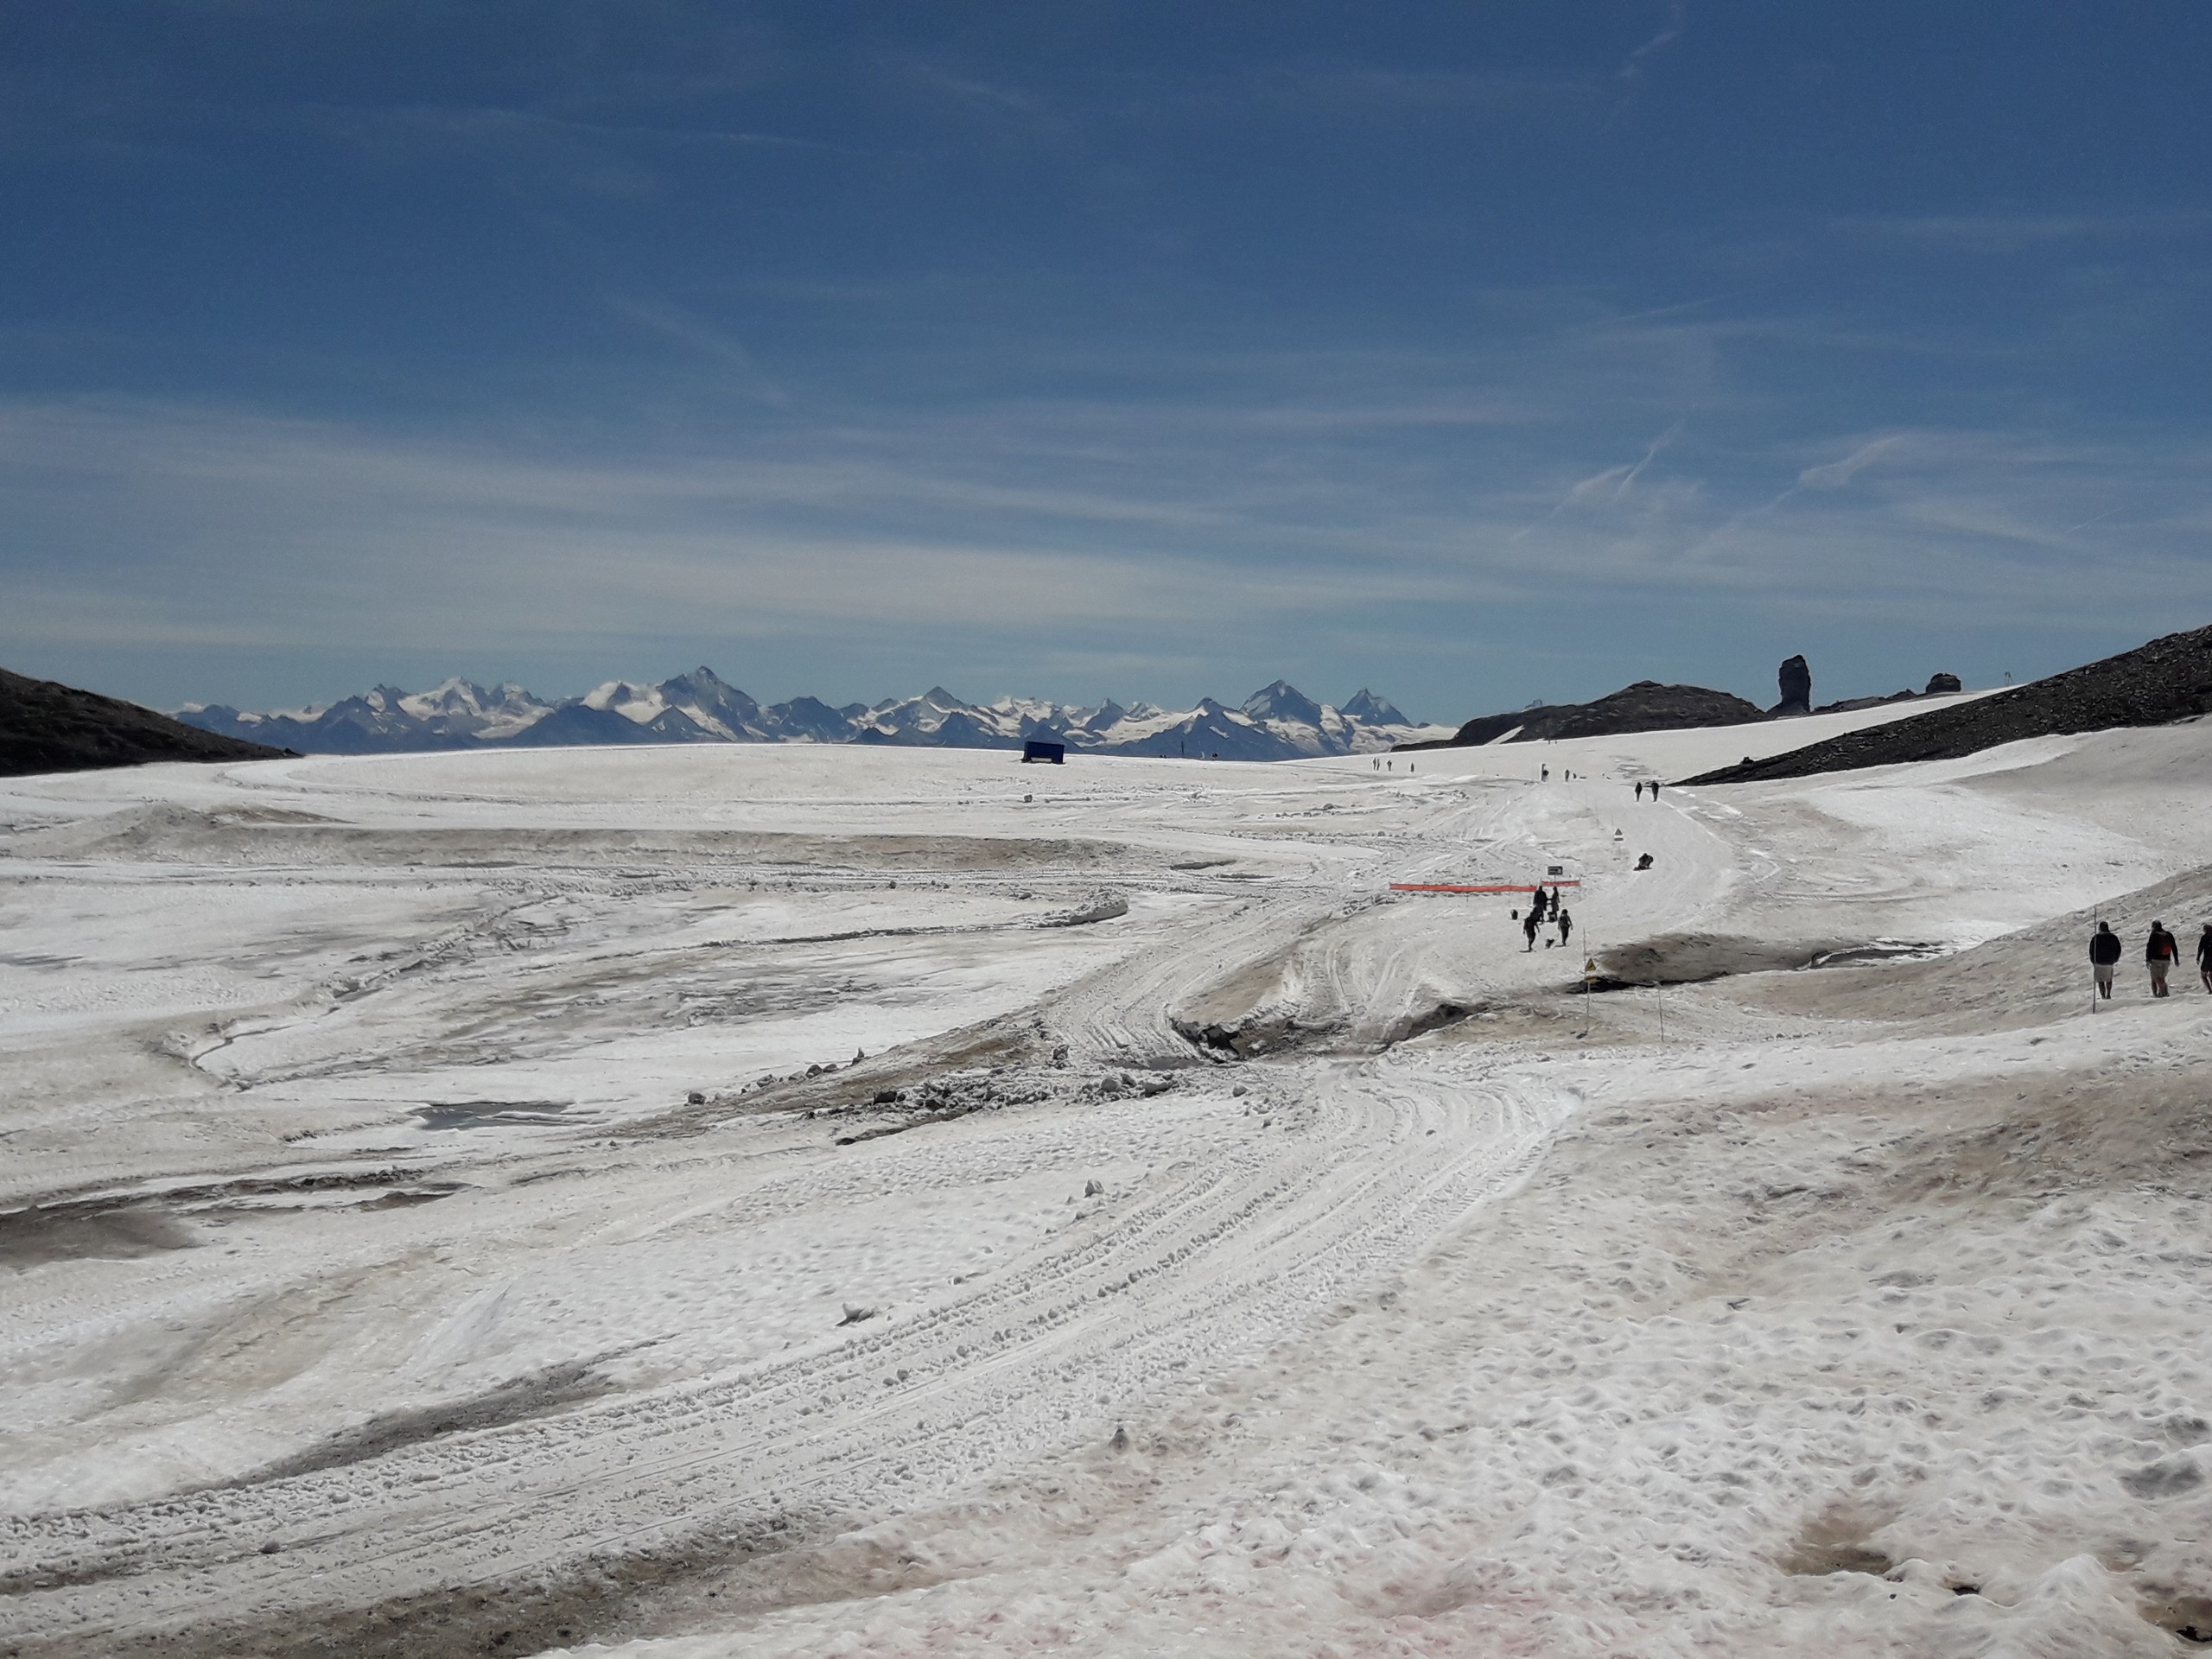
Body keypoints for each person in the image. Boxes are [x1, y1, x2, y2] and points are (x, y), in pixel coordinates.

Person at [2090, 920, 2120, 1002]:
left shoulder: (2096, 938)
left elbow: (2092, 950)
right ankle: (2108, 994)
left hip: (2099, 962)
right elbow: (2118, 949)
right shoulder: (2113, 937)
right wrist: (2115, 959)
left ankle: (2103, 995)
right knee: (2108, 979)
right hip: (2110, 961)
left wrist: (2093, 960)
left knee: (2101, 980)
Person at [2148, 920, 2179, 997]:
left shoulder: (2154, 935)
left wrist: (2148, 959)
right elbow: (2174, 947)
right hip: (2166, 959)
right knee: (2161, 978)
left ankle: (2159, 993)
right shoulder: (2168, 934)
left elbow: (2149, 948)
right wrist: (2176, 959)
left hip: (2156, 959)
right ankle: (2164, 992)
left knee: (2155, 978)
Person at [2200, 924, 2212, 993]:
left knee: (2203, 975)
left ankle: (2210, 990)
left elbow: (2200, 948)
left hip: (2207, 959)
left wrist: (2198, 957)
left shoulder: (2204, 937)